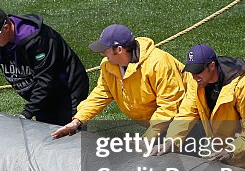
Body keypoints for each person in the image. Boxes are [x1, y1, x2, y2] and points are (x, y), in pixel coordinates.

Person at [155, 44, 245, 171]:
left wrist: (231, 150)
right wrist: (171, 140)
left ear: (211, 66)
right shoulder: (196, 81)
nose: (194, 77)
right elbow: (186, 113)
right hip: (230, 157)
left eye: (198, 71)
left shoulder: (244, 85)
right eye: (192, 71)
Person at [51, 24, 185, 139]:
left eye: (105, 50)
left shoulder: (159, 64)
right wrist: (77, 120)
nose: (102, 53)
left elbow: (170, 105)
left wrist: (150, 136)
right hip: (161, 126)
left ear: (119, 49)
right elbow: (101, 93)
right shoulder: (108, 66)